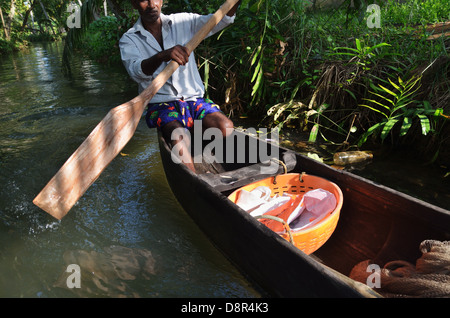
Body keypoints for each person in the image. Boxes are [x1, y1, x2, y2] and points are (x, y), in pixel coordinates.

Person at [119, 0, 240, 172]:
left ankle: (196, 136)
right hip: (162, 104)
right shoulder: (129, 39)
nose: (151, 5)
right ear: (134, 4)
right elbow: (136, 71)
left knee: (226, 127)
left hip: (193, 100)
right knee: (179, 135)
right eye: (144, 0)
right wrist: (162, 56)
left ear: (161, 1)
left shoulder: (184, 21)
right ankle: (194, 182)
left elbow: (222, 19)